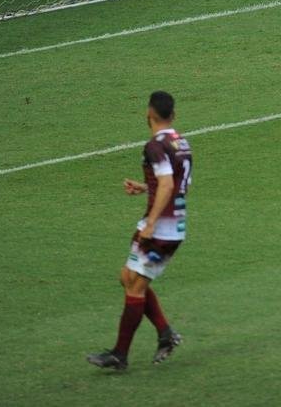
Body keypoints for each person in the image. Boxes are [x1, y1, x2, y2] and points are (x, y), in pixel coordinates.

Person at [87, 91, 193, 371]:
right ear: (173, 115)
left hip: (161, 228)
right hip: (175, 224)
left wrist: (150, 224)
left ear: (149, 114)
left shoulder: (155, 146)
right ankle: (165, 333)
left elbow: (169, 185)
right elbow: (180, 184)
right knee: (129, 277)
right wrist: (147, 188)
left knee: (135, 285)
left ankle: (120, 354)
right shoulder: (181, 142)